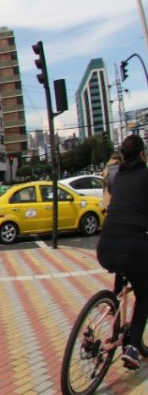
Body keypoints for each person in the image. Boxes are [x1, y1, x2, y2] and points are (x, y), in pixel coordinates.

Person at [97, 135, 148, 370]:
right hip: (132, 246)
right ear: (141, 155)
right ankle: (133, 346)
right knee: (145, 294)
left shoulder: (117, 178)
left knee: (128, 263)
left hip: (105, 245)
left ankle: (114, 296)